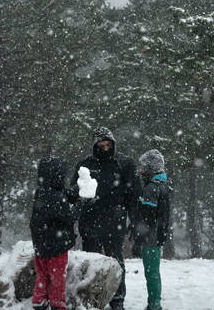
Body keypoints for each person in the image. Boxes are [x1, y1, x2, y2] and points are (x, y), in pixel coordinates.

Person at [69, 127, 142, 310]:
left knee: (115, 263)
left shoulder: (124, 164)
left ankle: (117, 300)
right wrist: (73, 216)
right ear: (95, 146)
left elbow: (135, 194)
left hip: (114, 222)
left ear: (113, 144)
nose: (105, 149)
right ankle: (92, 299)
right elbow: (74, 192)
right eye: (101, 145)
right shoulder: (85, 165)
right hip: (90, 222)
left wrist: (134, 221)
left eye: (108, 145)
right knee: (91, 264)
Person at [30, 156, 78, 310]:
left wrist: (72, 193)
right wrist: (79, 205)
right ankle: (57, 304)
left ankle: (39, 301)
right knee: (57, 278)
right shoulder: (57, 197)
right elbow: (69, 216)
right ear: (58, 175)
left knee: (42, 275)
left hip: (41, 246)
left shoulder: (41, 192)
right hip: (56, 247)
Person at [135, 149, 173, 310]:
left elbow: (148, 216)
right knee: (154, 272)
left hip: (151, 236)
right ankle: (154, 303)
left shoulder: (152, 188)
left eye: (143, 167)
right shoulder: (163, 185)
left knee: (151, 273)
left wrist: (138, 202)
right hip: (159, 234)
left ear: (151, 168)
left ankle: (154, 304)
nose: (141, 170)